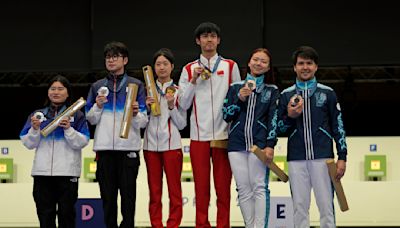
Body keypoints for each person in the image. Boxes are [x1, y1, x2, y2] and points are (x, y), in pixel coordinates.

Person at [178, 22, 241, 228]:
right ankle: (201, 225)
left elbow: (238, 101)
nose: (209, 40)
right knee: (201, 189)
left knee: (223, 189)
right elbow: (183, 104)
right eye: (204, 36)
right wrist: (194, 79)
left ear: (218, 40)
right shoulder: (188, 69)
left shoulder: (230, 66)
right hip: (198, 137)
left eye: (212, 36)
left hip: (224, 135)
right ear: (198, 41)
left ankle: (223, 225)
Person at [277, 46, 347, 228]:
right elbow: (278, 128)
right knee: (299, 206)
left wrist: (342, 157)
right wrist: (290, 116)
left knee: (326, 206)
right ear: (294, 67)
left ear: (316, 67)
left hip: (323, 158)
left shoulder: (328, 93)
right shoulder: (286, 95)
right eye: (301, 63)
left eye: (309, 63)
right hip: (296, 158)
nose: (305, 67)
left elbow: (338, 126)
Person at [86, 41, 147, 228]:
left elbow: (144, 121)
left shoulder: (136, 85)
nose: (111, 60)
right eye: (108, 57)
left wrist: (136, 114)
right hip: (104, 151)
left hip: (128, 150)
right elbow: (91, 118)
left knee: (128, 199)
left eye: (115, 56)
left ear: (125, 60)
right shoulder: (97, 86)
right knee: (108, 198)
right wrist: (97, 105)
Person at [20, 75, 90, 228]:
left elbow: (83, 141)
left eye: (60, 89)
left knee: (67, 215)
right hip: (42, 174)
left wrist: (68, 129)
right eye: (52, 89)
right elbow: (28, 143)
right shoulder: (38, 115)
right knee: (45, 215)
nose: (56, 92)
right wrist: (35, 129)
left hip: (67, 173)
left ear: (67, 93)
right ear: (48, 92)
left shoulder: (77, 115)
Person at [222, 48, 279, 227]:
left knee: (259, 187)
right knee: (243, 189)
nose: (258, 63)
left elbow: (274, 119)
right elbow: (226, 115)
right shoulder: (235, 87)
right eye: (256, 59)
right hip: (236, 145)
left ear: (268, 67)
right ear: (249, 62)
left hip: (259, 145)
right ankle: (249, 225)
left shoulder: (272, 90)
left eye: (263, 61)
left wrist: (270, 145)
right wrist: (239, 98)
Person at [143, 48, 186, 228]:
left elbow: (182, 124)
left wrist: (171, 105)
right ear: (153, 68)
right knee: (154, 191)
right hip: (150, 147)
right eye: (158, 64)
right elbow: (139, 123)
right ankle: (156, 224)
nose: (161, 68)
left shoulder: (179, 91)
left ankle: (173, 225)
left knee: (175, 191)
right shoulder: (145, 90)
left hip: (172, 146)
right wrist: (145, 109)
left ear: (172, 67)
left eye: (165, 64)